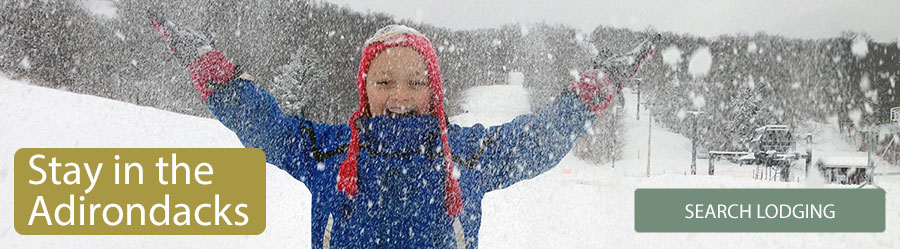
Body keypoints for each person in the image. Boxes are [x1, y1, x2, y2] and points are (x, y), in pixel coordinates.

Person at [150, 14, 653, 248]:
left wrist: (590, 93)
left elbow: (536, 142)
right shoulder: (327, 151)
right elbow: (264, 126)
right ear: (364, 86)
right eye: (384, 80)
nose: (400, 95)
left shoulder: (466, 156)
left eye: (416, 82)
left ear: (434, 91)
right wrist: (213, 72)